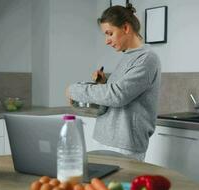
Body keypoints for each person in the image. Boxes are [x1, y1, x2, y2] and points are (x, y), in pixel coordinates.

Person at [67, 4, 161, 161]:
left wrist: (74, 90)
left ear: (125, 28)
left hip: (124, 146)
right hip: (104, 139)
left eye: (109, 33)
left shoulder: (147, 58)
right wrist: (104, 82)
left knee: (120, 187)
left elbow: (118, 95)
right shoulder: (127, 58)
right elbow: (113, 96)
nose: (106, 41)